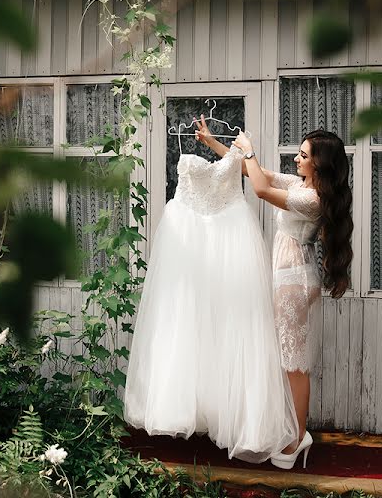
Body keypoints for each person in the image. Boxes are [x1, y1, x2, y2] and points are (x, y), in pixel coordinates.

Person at [123, 119, 298, 463]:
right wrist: (218, 143)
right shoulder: (196, 143)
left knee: (231, 321)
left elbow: (250, 173)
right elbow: (232, 162)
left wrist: (240, 149)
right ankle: (185, 408)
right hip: (187, 240)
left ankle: (232, 416)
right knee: (184, 316)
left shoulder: (240, 154)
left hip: (229, 238)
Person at [197, 117, 352, 470]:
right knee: (288, 360)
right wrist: (216, 146)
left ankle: (299, 437)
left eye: (302, 155)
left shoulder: (314, 199)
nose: (296, 160)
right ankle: (296, 432)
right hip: (290, 276)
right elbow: (258, 174)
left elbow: (262, 191)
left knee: (294, 363)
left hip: (295, 278)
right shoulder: (303, 187)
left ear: (319, 163)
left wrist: (248, 149)